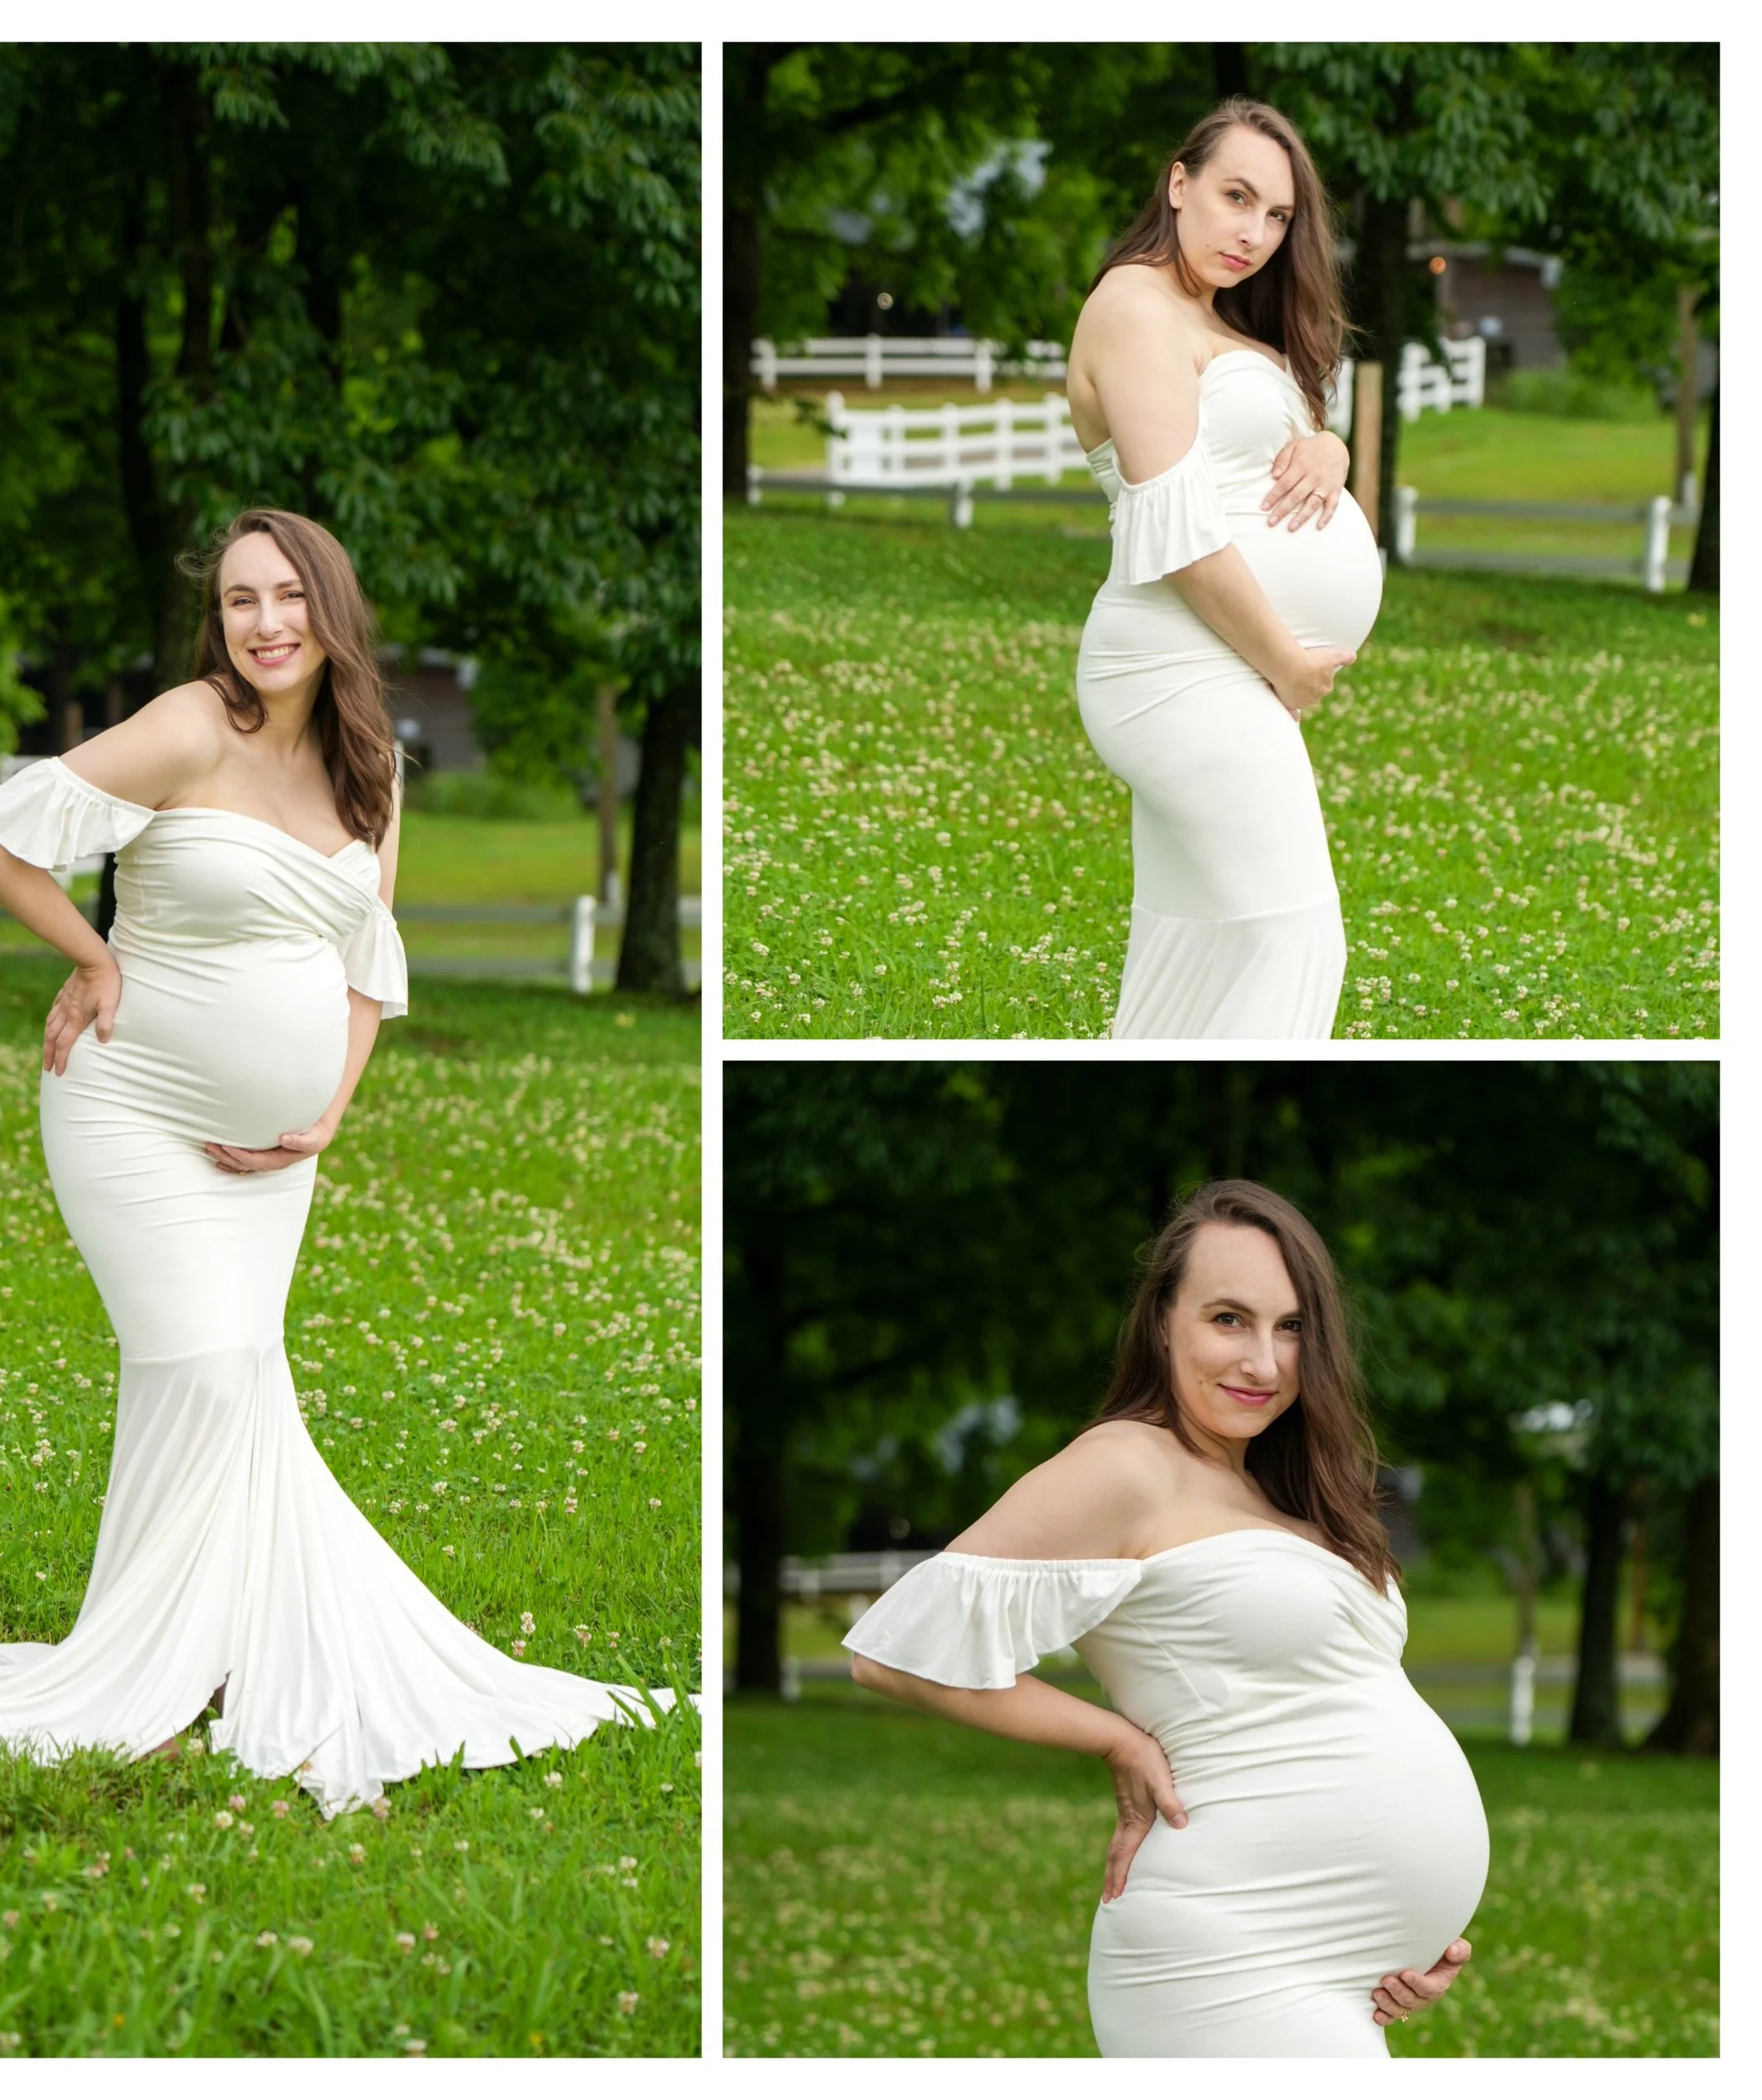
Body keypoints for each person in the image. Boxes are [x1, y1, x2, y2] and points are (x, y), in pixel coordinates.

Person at [0, 507, 681, 1817]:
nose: (266, 623)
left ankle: (203, 1659)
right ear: (216, 621)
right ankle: (151, 1682)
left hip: (278, 1154)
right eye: (239, 601)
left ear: (333, 612)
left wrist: (330, 1111)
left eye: (289, 596)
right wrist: (96, 954)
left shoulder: (374, 771)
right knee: (211, 1371)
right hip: (130, 1106)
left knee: (235, 1385)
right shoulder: (186, 726)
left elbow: (368, 962)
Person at [845, 1180, 1486, 2056]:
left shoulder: (1283, 1490)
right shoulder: (1129, 1464)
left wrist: (1407, 1938)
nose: (1263, 1361)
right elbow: (895, 1652)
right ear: (1162, 1324)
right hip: (1228, 1950)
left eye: (1291, 1326)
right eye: (1228, 1318)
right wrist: (1118, 1739)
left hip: (1335, 1970)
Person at [1067, 99, 1379, 1038]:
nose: (1253, 232)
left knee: (1191, 946)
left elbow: (1266, 453)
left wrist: (1331, 453)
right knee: (1297, 939)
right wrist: (1285, 662)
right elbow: (1179, 531)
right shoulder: (1132, 305)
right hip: (1175, 667)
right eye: (1235, 196)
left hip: (1221, 667)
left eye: (1277, 216)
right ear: (1178, 182)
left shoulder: (1209, 320)